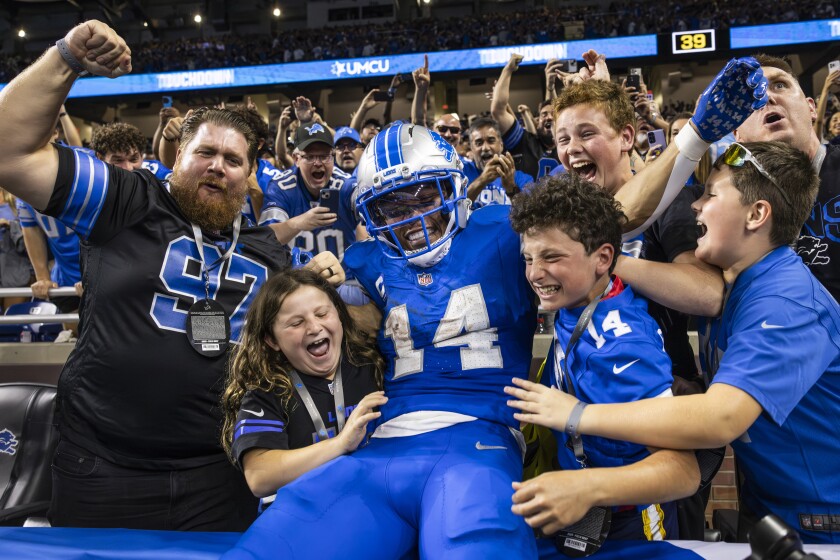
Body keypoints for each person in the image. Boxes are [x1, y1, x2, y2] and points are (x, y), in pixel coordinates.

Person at [0, 20, 343, 531]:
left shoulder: (267, 253)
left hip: (220, 472)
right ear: (176, 157)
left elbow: (305, 341)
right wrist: (66, 56)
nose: (217, 166)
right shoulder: (125, 199)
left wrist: (326, 289)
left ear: (248, 176)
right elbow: (9, 151)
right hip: (103, 466)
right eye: (204, 152)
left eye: (232, 159)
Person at [225, 124, 541, 559]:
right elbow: (331, 322)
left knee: (475, 545)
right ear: (372, 216)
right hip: (379, 441)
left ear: (454, 187)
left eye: (424, 197)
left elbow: (600, 235)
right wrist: (320, 286)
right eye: (391, 207)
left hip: (479, 437)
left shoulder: (505, 233)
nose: (411, 217)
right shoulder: (367, 263)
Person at [508, 141, 840, 544]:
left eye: (709, 193)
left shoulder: (786, 303)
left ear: (756, 214)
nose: (695, 206)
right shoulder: (739, 284)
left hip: (823, 519)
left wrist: (577, 415)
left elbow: (720, 420)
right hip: (772, 505)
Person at [506, 174, 698, 542]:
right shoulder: (576, 293)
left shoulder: (622, 345)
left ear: (603, 258)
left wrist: (587, 487)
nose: (534, 273)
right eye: (528, 257)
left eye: (551, 257)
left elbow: (682, 470)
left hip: (630, 520)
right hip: (587, 504)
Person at [221, 268, 385, 507]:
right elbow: (259, 477)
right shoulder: (267, 391)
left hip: (369, 506)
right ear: (272, 340)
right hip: (302, 516)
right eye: (296, 323)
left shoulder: (373, 366)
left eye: (322, 313)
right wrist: (340, 444)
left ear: (339, 315)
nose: (314, 327)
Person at [259, 123, 360, 260]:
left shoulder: (346, 184)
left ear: (333, 157)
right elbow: (265, 240)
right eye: (310, 157)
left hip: (344, 278)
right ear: (296, 159)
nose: (318, 163)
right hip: (296, 279)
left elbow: (369, 211)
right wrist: (298, 223)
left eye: (324, 156)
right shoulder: (280, 187)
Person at [492, 54, 561, 179]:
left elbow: (555, 112)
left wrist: (550, 86)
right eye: (543, 115)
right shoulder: (524, 142)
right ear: (537, 121)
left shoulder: (569, 145)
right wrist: (508, 70)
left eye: (553, 115)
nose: (549, 117)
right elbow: (498, 110)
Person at [463, 117, 533, 208]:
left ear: (501, 145)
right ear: (472, 148)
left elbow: (528, 214)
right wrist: (482, 180)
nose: (485, 148)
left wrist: (511, 188)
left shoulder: (522, 179)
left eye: (491, 141)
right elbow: (453, 212)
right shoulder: (461, 174)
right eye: (479, 143)